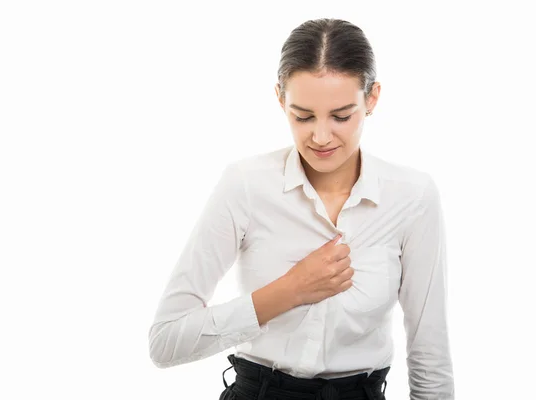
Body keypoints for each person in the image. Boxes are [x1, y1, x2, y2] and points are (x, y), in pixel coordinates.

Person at [148, 17, 455, 400]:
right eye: (303, 116)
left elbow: (430, 351)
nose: (321, 136)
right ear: (280, 98)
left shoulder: (413, 196)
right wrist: (289, 291)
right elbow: (165, 342)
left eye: (341, 116)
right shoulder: (245, 184)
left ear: (371, 98)